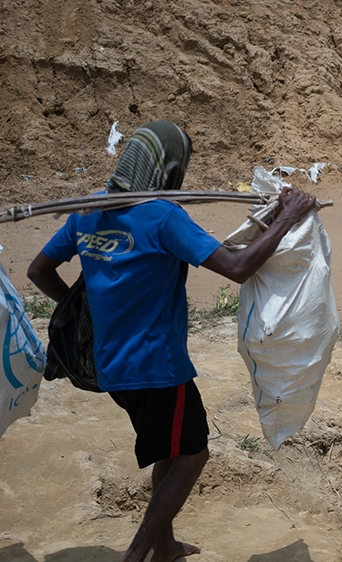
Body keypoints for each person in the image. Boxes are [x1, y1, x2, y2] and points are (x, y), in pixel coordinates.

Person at [26, 120, 317, 562]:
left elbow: (37, 271)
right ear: (170, 167)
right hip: (158, 366)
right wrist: (289, 219)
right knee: (192, 455)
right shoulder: (163, 217)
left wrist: (83, 309)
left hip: (110, 364)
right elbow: (237, 268)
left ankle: (165, 543)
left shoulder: (87, 211)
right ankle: (139, 552)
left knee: (170, 445)